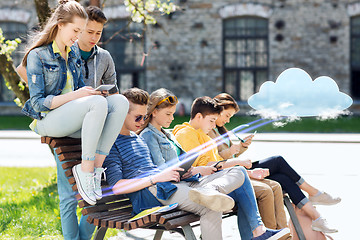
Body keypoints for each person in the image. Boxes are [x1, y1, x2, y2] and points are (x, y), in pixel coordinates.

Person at [17, 5, 126, 239]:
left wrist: (90, 96)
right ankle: (86, 171)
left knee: (119, 102)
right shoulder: (38, 55)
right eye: (76, 30)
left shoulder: (74, 53)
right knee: (95, 103)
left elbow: (81, 94)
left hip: (75, 120)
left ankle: (95, 167)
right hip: (49, 121)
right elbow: (37, 104)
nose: (78, 37)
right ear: (60, 25)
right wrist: (79, 96)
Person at [139, 89, 290, 240]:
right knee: (214, 204)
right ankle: (215, 196)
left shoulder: (168, 135)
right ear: (154, 112)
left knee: (240, 173)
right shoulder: (149, 135)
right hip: (171, 188)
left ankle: (258, 231)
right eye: (168, 114)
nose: (172, 118)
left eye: (172, 113)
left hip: (189, 180)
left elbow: (183, 163)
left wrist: (195, 169)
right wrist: (189, 170)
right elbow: (162, 169)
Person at [210, 93, 340, 234]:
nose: (228, 120)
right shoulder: (209, 130)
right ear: (218, 110)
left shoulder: (220, 130)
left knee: (284, 179)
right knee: (278, 161)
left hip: (238, 169)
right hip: (234, 174)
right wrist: (231, 151)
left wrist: (242, 147)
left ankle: (314, 219)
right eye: (227, 116)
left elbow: (232, 156)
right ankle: (313, 193)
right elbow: (214, 161)